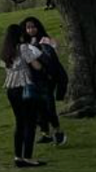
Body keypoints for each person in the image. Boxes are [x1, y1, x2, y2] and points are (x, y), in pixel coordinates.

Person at [0, 24, 45, 168]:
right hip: (25, 87)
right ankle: (28, 157)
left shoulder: (5, 51)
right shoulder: (23, 47)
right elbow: (36, 65)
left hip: (11, 89)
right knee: (30, 123)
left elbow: (5, 68)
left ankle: (18, 156)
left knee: (19, 122)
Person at [21, 16, 68, 146]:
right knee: (38, 107)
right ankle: (45, 133)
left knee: (48, 105)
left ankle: (58, 131)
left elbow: (53, 58)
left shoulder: (44, 40)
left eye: (33, 27)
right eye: (28, 28)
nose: (31, 30)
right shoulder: (25, 43)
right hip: (33, 78)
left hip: (46, 77)